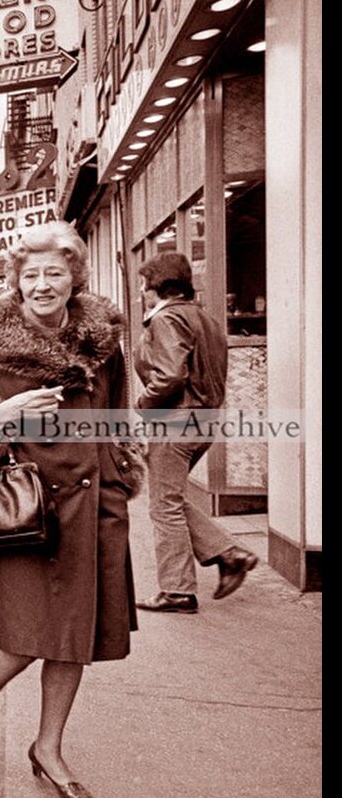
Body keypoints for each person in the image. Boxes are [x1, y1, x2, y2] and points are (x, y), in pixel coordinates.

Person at [0, 221, 143, 798]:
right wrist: (2, 412)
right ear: (15, 280)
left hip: (93, 504)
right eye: (30, 274)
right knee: (23, 635)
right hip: (22, 509)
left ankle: (49, 749)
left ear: (73, 277)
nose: (42, 284)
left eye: (54, 273)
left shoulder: (103, 336)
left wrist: (118, 478)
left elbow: (117, 415)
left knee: (74, 637)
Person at [132, 252, 258, 613]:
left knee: (163, 506)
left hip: (176, 422)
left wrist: (141, 405)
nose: (143, 293)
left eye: (145, 286)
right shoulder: (206, 318)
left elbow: (171, 375)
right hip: (204, 421)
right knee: (168, 497)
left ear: (159, 287)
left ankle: (177, 591)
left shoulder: (167, 319)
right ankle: (226, 554)